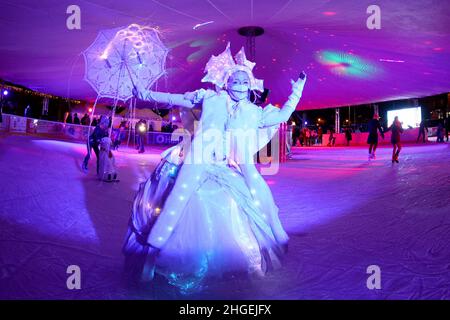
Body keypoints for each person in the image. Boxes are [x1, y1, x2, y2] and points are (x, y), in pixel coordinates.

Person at [122, 44, 307, 292]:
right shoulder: (209, 97)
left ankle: (278, 235)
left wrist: (296, 93)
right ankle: (153, 253)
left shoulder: (254, 111)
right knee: (179, 196)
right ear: (226, 81)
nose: (240, 83)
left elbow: (283, 116)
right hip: (199, 156)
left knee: (257, 187)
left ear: (250, 83)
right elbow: (178, 98)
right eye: (235, 78)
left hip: (231, 162)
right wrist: (146, 93)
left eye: (244, 79)